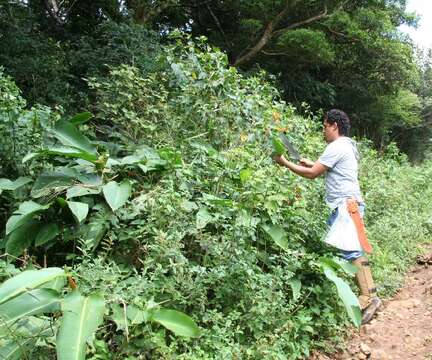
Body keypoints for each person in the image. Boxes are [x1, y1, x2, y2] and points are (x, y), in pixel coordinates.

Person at [273, 109, 381, 324]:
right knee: (352, 251)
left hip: (346, 206)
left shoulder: (337, 146)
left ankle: (370, 296)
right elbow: (323, 168)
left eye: (325, 126)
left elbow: (313, 174)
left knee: (353, 252)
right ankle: (369, 294)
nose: (323, 130)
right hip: (348, 204)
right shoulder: (347, 145)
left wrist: (285, 163)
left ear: (334, 126)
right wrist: (310, 162)